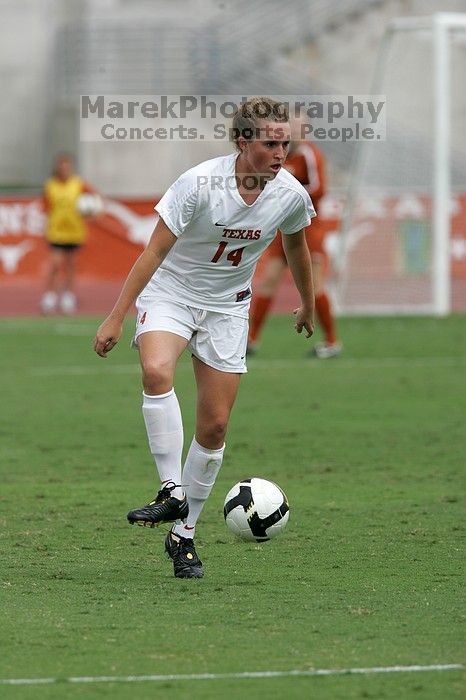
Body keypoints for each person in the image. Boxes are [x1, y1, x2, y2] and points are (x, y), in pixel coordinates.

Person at [93, 97, 316, 579]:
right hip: (171, 292)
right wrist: (115, 316)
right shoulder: (199, 184)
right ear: (243, 142)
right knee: (156, 370)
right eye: (270, 143)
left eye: (285, 143)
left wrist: (308, 301)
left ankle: (184, 534)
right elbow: (152, 253)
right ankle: (171, 489)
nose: (281, 152)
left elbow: (296, 245)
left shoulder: (291, 194)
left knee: (214, 427)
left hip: (227, 308)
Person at [247, 125, 342, 359]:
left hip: (309, 229)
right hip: (282, 229)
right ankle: (250, 340)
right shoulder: (277, 155)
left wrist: (289, 191)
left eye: (301, 127)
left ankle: (331, 341)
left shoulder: (310, 155)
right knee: (267, 281)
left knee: (315, 285)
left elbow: (319, 190)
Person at [41, 153, 97, 315]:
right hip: (56, 231)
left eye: (68, 166)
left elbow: (94, 199)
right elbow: (46, 208)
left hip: (75, 231)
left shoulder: (78, 184)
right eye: (62, 166)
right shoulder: (50, 185)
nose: (65, 169)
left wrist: (91, 209)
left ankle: (68, 295)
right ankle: (50, 296)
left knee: (71, 264)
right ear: (57, 168)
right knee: (56, 263)